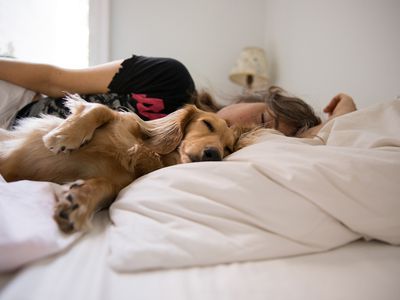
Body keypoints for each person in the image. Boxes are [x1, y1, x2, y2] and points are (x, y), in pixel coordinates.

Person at [0, 55, 356, 137]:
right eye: (261, 117)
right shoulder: (169, 78)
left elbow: (315, 151)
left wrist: (344, 118)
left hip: (21, 145)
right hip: (19, 104)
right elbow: (54, 79)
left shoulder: (200, 156)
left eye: (265, 133)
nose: (249, 128)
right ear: (251, 97)